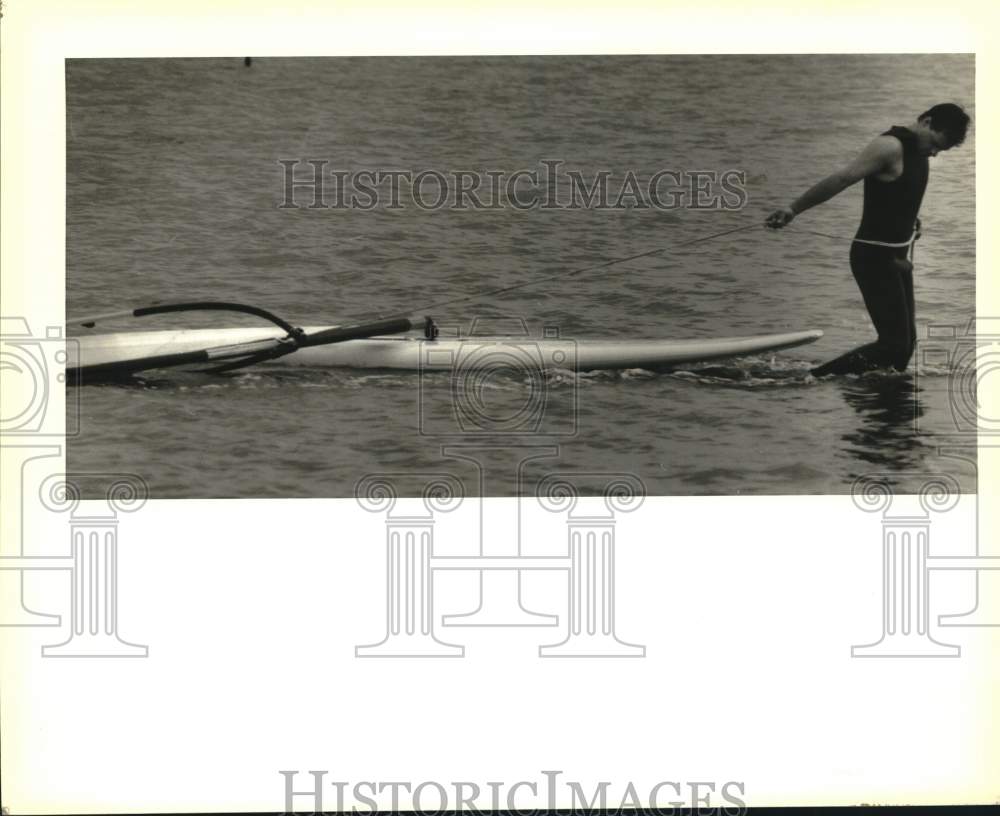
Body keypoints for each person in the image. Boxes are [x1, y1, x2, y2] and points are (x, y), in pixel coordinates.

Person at [765, 103, 970, 377]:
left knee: (906, 347)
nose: (934, 153)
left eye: (940, 150)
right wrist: (793, 209)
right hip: (873, 258)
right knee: (893, 344)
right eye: (935, 144)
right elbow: (842, 178)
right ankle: (812, 379)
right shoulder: (889, 147)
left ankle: (884, 404)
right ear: (926, 122)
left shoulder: (919, 152)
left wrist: (911, 221)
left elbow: (899, 194)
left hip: (899, 258)